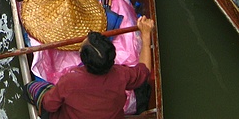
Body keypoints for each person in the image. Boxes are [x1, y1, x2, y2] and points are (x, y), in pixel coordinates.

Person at [24, 16, 156, 119]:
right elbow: (144, 71)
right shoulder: (121, 74)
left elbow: (49, 105)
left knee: (32, 88)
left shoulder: (70, 80)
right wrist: (146, 36)